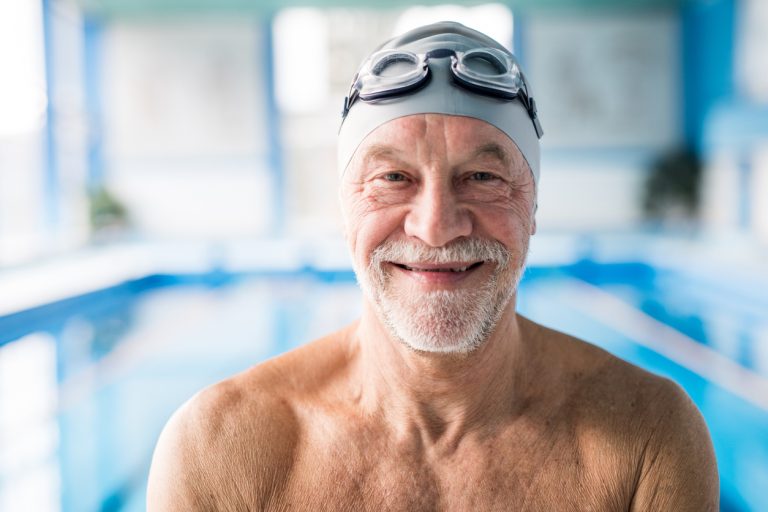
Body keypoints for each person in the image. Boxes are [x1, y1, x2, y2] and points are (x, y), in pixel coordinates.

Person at [147, 21, 718, 511]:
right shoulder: (219, 448)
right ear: (344, 209)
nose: (437, 225)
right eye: (393, 178)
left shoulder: (650, 436)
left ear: (534, 205)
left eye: (483, 178)